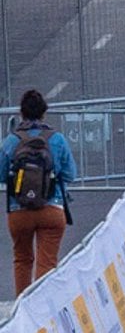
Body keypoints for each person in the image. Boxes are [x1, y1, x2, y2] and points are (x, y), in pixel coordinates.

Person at [2, 90, 78, 290]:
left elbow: (1, 175)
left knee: (22, 259)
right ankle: (43, 310)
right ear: (44, 113)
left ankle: (22, 311)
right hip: (51, 208)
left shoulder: (11, 141)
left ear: (21, 114)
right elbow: (71, 174)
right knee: (47, 262)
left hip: (19, 210)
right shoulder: (57, 139)